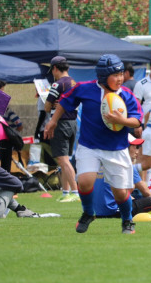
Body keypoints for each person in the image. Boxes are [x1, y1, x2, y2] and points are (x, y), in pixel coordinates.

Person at [44, 54, 143, 235]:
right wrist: (53, 121)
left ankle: (127, 220)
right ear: (104, 76)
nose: (120, 78)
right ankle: (89, 213)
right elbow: (64, 102)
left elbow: (137, 121)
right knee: (84, 182)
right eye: (116, 75)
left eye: (121, 74)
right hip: (89, 145)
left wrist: (122, 121)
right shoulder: (84, 88)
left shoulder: (127, 95)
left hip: (116, 149)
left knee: (120, 193)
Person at [93, 135, 151, 218]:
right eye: (136, 147)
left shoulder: (102, 163)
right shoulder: (127, 166)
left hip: (98, 212)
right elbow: (147, 193)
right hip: (115, 211)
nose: (137, 151)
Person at [44, 56, 79, 202]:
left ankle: (75, 192)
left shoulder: (57, 84)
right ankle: (66, 192)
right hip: (73, 123)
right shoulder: (74, 83)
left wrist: (51, 103)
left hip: (60, 123)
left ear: (55, 68)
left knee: (63, 159)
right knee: (66, 159)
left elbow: (47, 107)